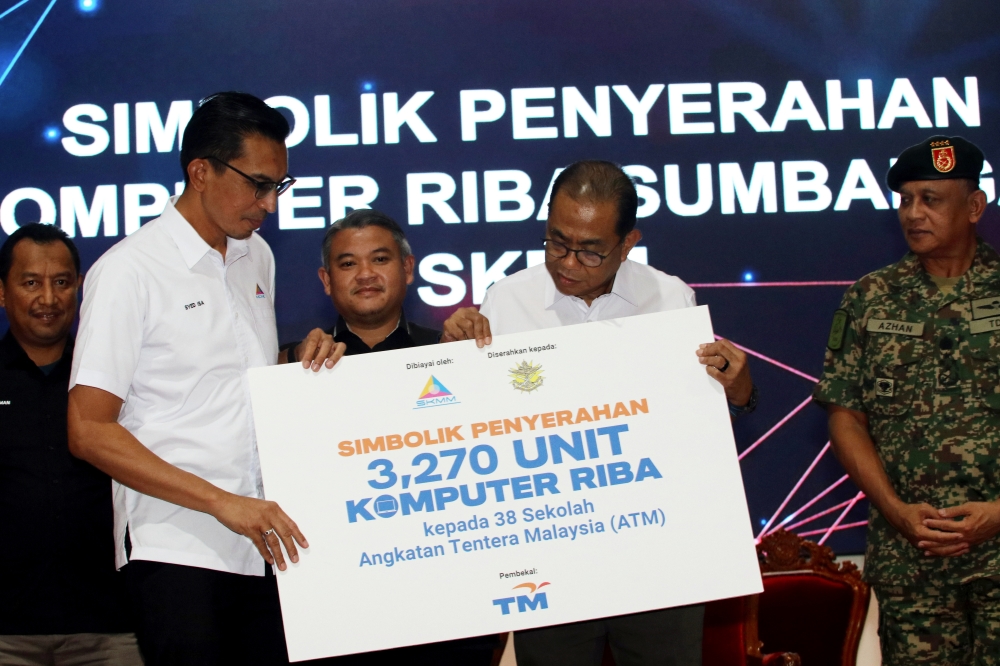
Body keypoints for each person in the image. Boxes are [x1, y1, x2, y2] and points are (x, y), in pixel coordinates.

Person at [441, 160, 758, 666]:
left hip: (658, 555)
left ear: (627, 242)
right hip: (550, 558)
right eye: (556, 241)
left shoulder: (670, 299)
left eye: (590, 250)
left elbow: (702, 426)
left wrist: (738, 390)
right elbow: (474, 424)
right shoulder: (506, 301)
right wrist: (452, 355)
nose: (567, 262)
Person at [66, 92, 345, 666]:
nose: (270, 204)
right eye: (258, 184)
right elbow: (88, 429)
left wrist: (298, 362)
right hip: (177, 546)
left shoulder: (256, 256)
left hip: (264, 544)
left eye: (279, 187)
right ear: (200, 171)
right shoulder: (128, 272)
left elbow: (231, 386)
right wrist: (223, 503)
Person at [282, 208, 500, 665]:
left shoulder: (453, 353)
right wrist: (290, 369)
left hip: (451, 608)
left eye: (379, 259)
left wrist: (477, 362)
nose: (364, 274)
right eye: (347, 264)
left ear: (407, 268)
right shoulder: (288, 368)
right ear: (325, 279)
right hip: (339, 609)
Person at [814, 135, 1000, 664]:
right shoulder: (870, 298)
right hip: (910, 562)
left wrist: (997, 514)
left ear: (973, 207)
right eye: (905, 200)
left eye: (931, 200)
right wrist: (895, 511)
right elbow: (845, 415)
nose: (913, 213)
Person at [0, 224, 142, 665]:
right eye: (30, 283)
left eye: (62, 282)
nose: (49, 299)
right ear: (3, 293)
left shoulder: (114, 382)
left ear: (79, 289)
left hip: (108, 625)